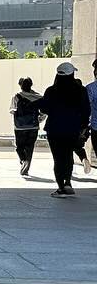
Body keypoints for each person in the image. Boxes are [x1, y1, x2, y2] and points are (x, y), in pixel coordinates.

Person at [36, 62, 90, 198]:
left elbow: (44, 109)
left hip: (54, 129)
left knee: (58, 158)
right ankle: (67, 182)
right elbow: (86, 111)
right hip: (73, 129)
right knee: (68, 156)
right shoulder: (81, 90)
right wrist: (83, 127)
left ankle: (61, 187)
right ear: (72, 74)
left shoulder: (51, 90)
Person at [10, 77, 44, 177]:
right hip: (33, 126)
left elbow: (12, 110)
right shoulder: (38, 97)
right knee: (30, 147)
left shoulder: (16, 97)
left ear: (20, 85)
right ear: (31, 85)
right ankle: (26, 168)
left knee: (19, 147)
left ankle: (23, 160)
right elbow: (43, 112)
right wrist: (39, 120)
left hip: (19, 127)